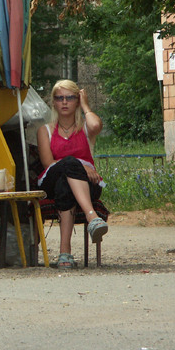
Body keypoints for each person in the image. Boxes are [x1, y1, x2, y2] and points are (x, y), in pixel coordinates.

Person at [36, 79, 108, 269]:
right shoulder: (45, 131)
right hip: (51, 179)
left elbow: (96, 126)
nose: (65, 102)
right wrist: (80, 165)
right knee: (68, 163)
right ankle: (92, 217)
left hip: (86, 184)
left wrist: (86, 106)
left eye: (70, 98)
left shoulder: (84, 127)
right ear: (54, 102)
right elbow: (48, 163)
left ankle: (64, 254)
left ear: (77, 100)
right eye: (60, 98)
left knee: (65, 186)